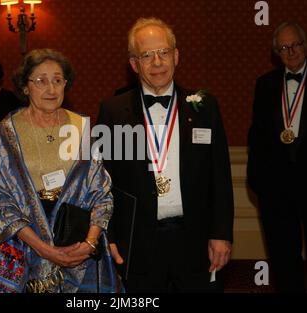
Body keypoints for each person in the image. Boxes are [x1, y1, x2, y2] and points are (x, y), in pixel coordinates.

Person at [97, 17, 234, 292]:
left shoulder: (204, 106)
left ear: (176, 56)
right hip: (137, 243)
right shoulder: (113, 111)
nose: (157, 62)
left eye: (164, 52)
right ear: (134, 64)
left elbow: (220, 176)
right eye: (147, 55)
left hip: (195, 240)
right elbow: (104, 181)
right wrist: (109, 235)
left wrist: (221, 234)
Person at [0, 49, 121, 293]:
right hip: (26, 248)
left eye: (58, 80)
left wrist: (89, 244)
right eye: (41, 81)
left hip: (80, 245)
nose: (51, 88)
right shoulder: (6, 133)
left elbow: (102, 193)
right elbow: (2, 202)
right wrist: (45, 250)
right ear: (25, 87)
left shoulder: (82, 127)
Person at [247, 21, 307, 293]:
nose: (291, 52)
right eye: (284, 47)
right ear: (276, 52)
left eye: (296, 44)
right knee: (283, 259)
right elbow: (257, 135)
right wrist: (258, 181)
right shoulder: (264, 84)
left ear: (305, 44)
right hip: (276, 189)